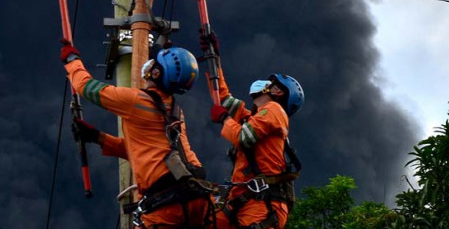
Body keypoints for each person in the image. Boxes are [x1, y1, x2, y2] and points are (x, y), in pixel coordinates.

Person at [62, 39, 215, 228]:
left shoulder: (136, 101)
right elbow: (145, 152)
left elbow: (86, 87)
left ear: (157, 73)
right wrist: (98, 137)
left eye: (155, 62)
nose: (150, 63)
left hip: (166, 203)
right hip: (197, 195)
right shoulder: (174, 110)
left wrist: (72, 59)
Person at [202, 32, 304, 229]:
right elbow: (223, 98)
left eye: (272, 84)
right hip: (246, 201)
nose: (266, 84)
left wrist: (224, 118)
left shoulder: (274, 110)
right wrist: (213, 57)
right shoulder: (254, 118)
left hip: (262, 205)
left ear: (278, 92)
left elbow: (243, 137)